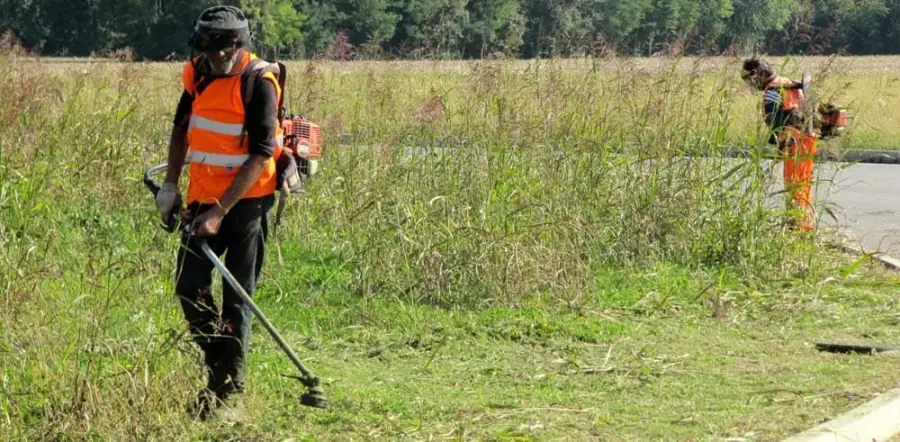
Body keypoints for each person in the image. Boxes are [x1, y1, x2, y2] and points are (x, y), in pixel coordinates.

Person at [154, 5, 284, 421]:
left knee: (237, 298)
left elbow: (264, 150)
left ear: (234, 48)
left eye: (217, 54)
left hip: (247, 204)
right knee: (188, 286)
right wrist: (172, 186)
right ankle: (219, 365)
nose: (211, 60)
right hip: (201, 199)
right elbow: (180, 128)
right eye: (205, 53)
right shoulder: (198, 73)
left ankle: (231, 392)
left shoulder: (258, 82)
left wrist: (221, 212)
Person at [741, 57, 819, 232]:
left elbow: (776, 123)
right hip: (807, 139)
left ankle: (797, 226)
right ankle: (805, 224)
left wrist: (776, 145)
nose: (751, 85)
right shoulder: (787, 82)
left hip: (793, 143)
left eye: (750, 80)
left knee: (793, 186)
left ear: (758, 75)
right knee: (803, 184)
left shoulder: (771, 92)